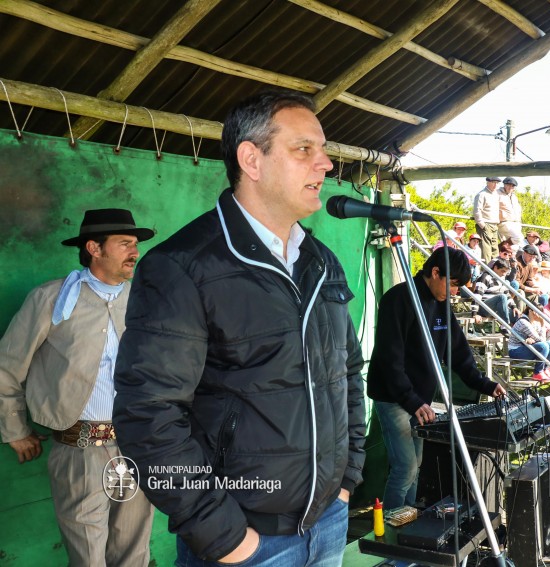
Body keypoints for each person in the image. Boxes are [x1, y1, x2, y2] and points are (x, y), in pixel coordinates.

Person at [113, 91, 366, 566]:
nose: (326, 164)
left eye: (323, 150)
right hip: (244, 540)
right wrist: (223, 536)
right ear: (251, 159)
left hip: (327, 522)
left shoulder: (321, 262)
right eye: (304, 149)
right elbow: (148, 415)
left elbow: (347, 373)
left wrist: (347, 480)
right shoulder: (182, 266)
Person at [0, 209, 155, 566]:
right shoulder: (51, 299)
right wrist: (15, 430)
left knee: (134, 552)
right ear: (94, 248)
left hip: (135, 447)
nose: (135, 252)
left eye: (135, 245)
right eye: (125, 244)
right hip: (80, 451)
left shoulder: (144, 301)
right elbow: (7, 365)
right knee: (88, 558)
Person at [367, 247, 507, 509]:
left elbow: (459, 353)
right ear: (434, 272)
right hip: (393, 396)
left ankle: (407, 523)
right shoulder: (397, 300)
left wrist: (485, 385)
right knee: (406, 467)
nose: (455, 293)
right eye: (453, 285)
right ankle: (390, 531)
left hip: (418, 399)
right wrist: (412, 401)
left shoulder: (441, 304)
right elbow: (390, 360)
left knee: (416, 466)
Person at [473, 176, 501, 262]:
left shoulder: (496, 194)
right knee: (486, 251)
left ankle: (495, 271)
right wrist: (482, 225)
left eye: (497, 183)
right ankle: (486, 271)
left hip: (494, 225)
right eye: (493, 182)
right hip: (486, 224)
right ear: (487, 182)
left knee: (495, 250)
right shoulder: (481, 194)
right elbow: (477, 211)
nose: (495, 185)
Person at [497, 177, 522, 246]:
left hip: (516, 223)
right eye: (508, 185)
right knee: (518, 238)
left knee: (517, 246)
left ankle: (502, 252)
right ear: (504, 185)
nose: (510, 187)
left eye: (513, 185)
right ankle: (500, 247)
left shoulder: (514, 197)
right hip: (504, 222)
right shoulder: (497, 194)